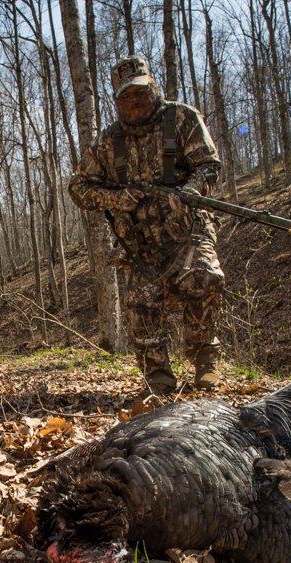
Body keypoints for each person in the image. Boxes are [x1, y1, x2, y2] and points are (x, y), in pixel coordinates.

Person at [68, 55, 225, 396]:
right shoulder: (108, 142)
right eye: (126, 96)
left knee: (203, 276)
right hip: (138, 241)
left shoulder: (181, 118)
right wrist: (118, 199)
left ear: (153, 87)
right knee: (141, 301)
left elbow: (209, 166)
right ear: (117, 101)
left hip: (187, 228)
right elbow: (79, 188)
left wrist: (187, 192)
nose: (135, 101)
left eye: (140, 92)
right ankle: (158, 378)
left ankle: (204, 361)